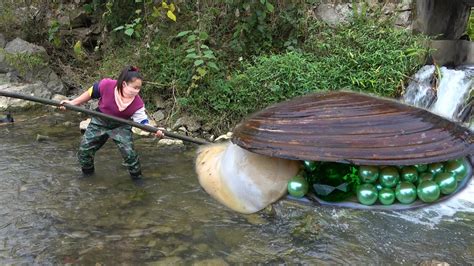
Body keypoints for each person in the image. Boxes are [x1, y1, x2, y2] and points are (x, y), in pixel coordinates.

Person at [60, 66, 164, 180]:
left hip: (121, 125)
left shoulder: (137, 103)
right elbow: (90, 93)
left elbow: (143, 122)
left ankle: (137, 180)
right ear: (124, 84)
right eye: (134, 87)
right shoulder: (107, 85)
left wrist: (155, 131)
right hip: (100, 120)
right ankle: (88, 176)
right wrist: (72, 103)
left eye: (139, 88)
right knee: (84, 150)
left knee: (130, 155)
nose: (136, 91)